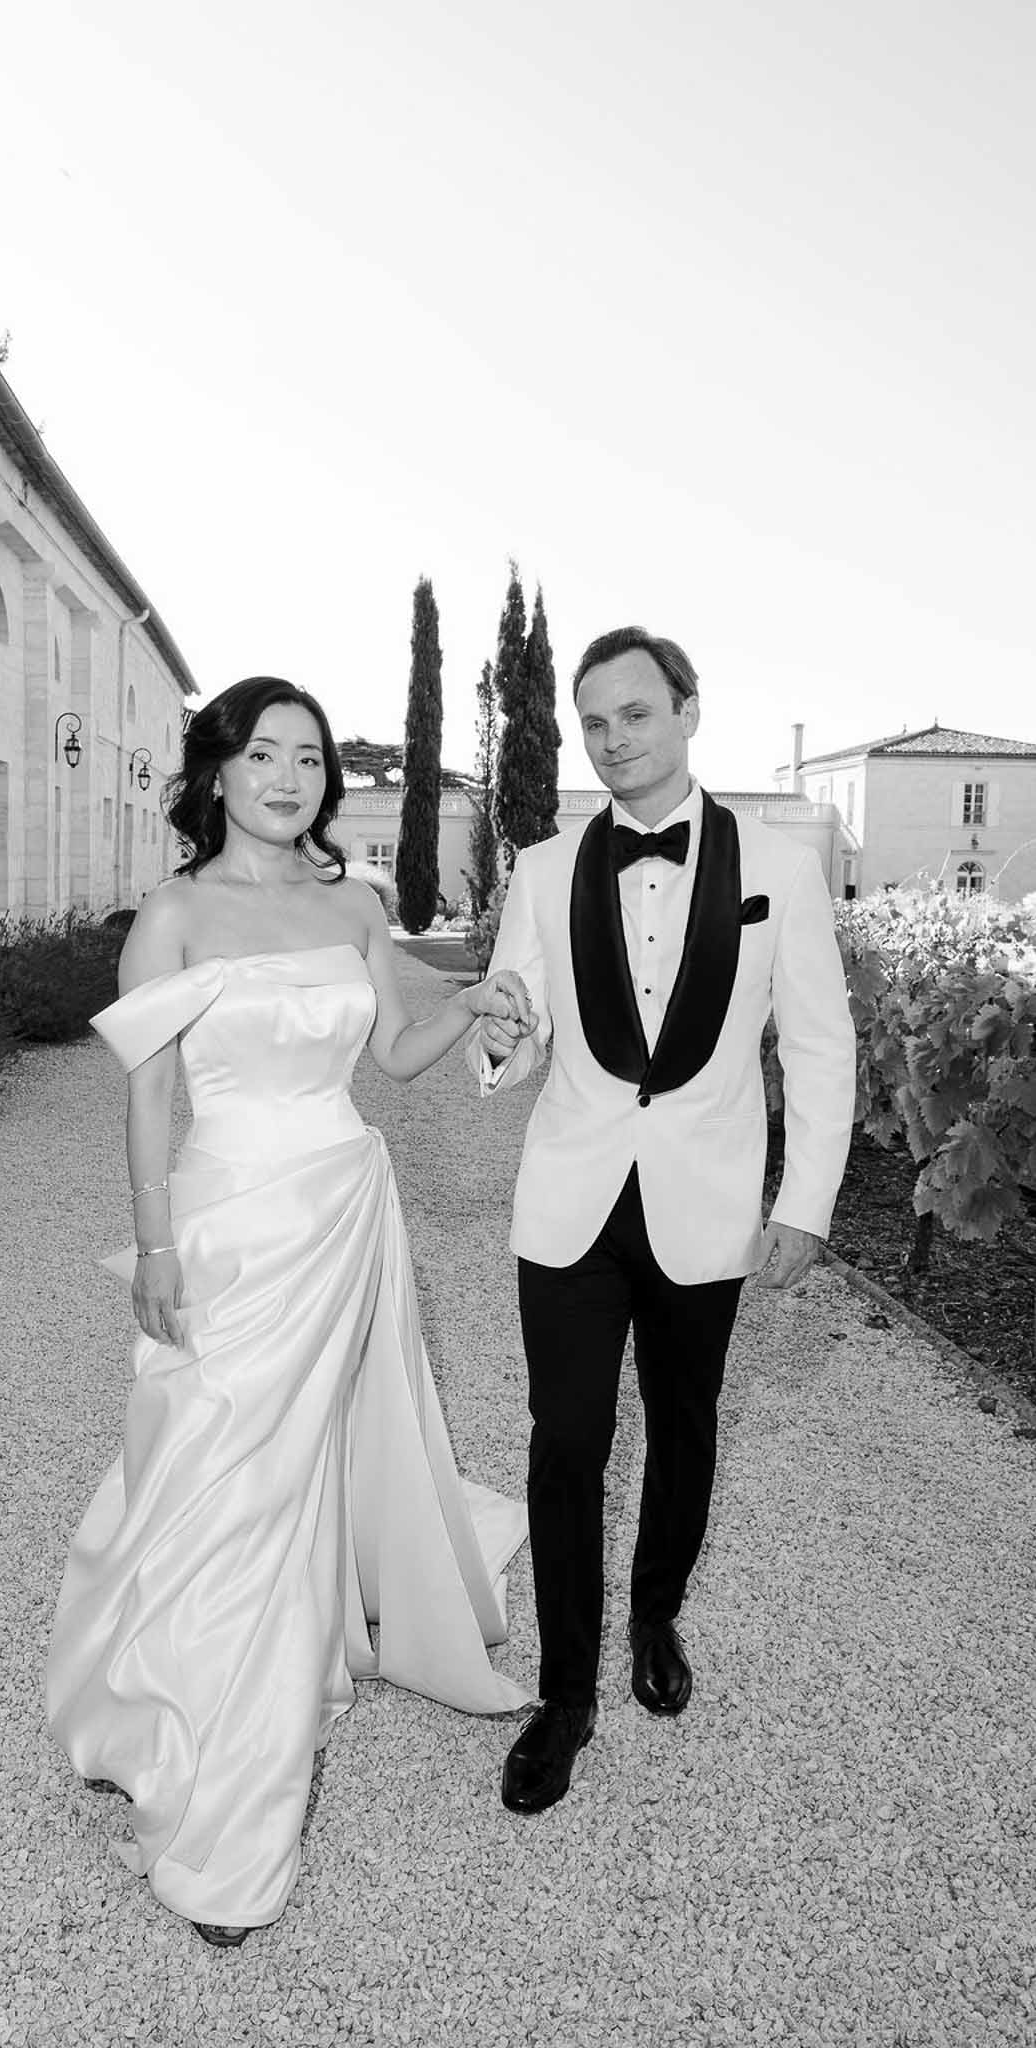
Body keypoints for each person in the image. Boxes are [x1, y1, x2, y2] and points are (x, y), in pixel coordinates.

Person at [46, 676, 535, 1947]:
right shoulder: (173, 913)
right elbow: (149, 1096)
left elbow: (392, 1057)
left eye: (308, 756)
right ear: (217, 772)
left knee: (284, 1480)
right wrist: (155, 1243)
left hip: (343, 1206)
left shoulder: (353, 903)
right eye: (261, 752)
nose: (287, 774)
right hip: (227, 1224)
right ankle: (169, 1712)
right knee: (215, 1473)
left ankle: (239, 1813)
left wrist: (468, 1004)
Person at [467, 626, 856, 1816]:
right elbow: (519, 1036)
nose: (612, 737)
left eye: (634, 712)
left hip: (710, 1198)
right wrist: (499, 1043)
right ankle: (565, 1693)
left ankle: (655, 1612)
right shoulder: (540, 867)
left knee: (685, 1421)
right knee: (565, 1438)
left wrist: (806, 1204)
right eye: (593, 720)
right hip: (571, 1201)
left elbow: (823, 1042)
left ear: (688, 712)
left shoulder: (780, 863)